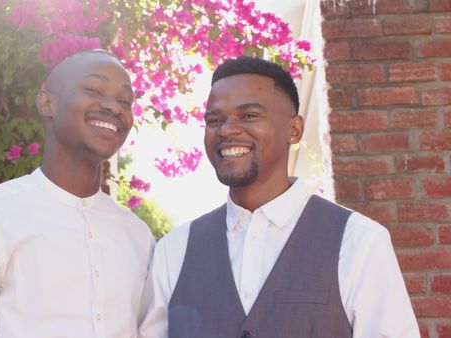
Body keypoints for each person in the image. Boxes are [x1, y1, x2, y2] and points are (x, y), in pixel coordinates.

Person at [139, 56, 418, 338]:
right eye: (215, 120)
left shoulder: (358, 241)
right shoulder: (174, 250)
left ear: (294, 130)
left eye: (249, 115)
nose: (227, 129)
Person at [0, 50, 155, 337]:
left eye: (125, 101)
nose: (114, 107)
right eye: (93, 89)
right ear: (46, 103)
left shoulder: (138, 236)